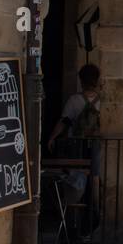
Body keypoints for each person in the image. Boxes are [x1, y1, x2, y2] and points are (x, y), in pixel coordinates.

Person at [47, 63, 103, 218]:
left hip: (77, 145)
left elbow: (64, 121)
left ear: (81, 80)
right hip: (96, 144)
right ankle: (96, 210)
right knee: (95, 175)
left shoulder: (74, 100)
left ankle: (71, 212)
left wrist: (52, 137)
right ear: (97, 80)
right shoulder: (102, 101)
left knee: (76, 175)